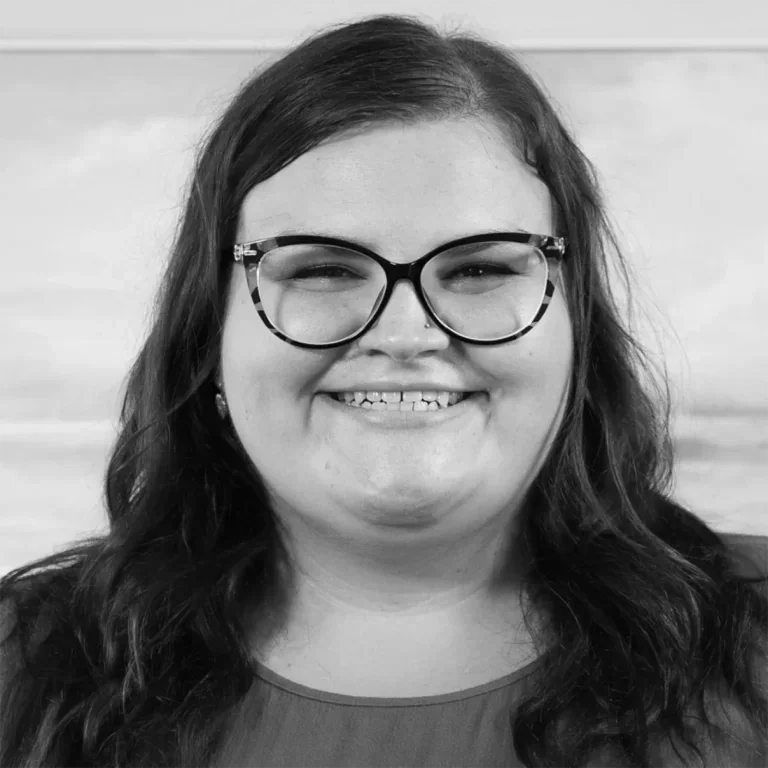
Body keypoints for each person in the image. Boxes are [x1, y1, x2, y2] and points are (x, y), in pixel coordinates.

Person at [1, 13, 767, 768]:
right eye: (322, 269)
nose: (404, 334)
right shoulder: (22, 667)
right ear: (209, 339)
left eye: (481, 269)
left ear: (578, 329)